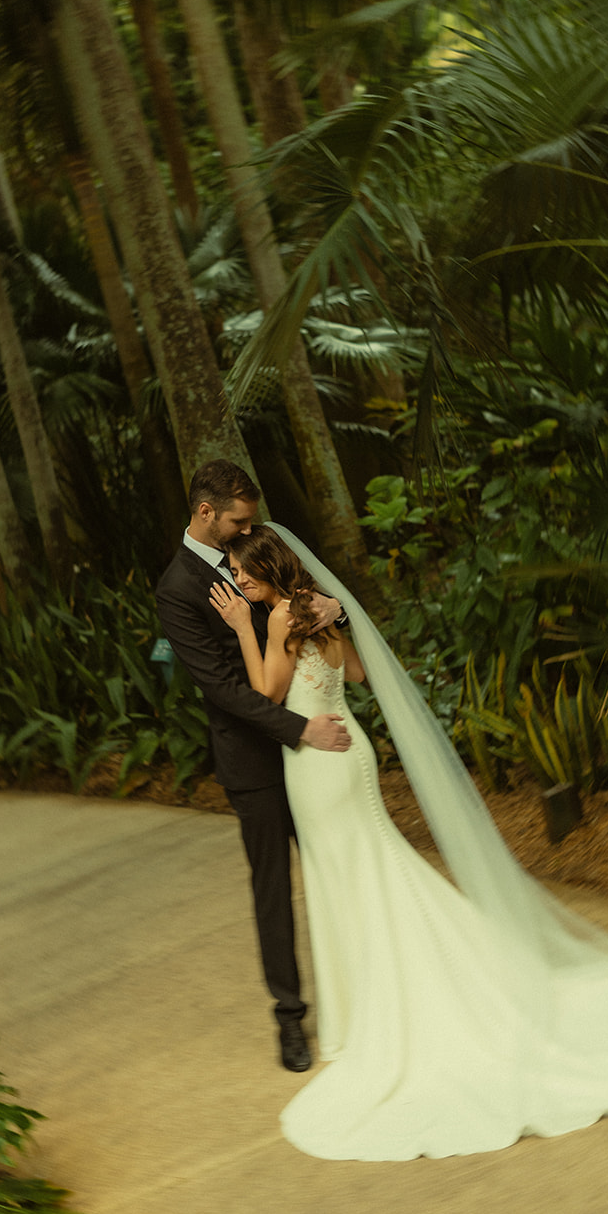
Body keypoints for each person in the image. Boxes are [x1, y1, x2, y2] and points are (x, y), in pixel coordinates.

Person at [212, 523, 608, 1163]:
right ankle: (407, 990)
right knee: (375, 868)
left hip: (317, 768)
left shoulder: (275, 623)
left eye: (243, 572)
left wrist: (245, 629)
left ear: (267, 568)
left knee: (349, 879)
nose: (237, 581)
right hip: (352, 755)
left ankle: (378, 1012)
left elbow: (265, 694)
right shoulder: (319, 616)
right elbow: (353, 675)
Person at [154, 460, 350, 1073]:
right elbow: (220, 690)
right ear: (205, 512)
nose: (250, 527)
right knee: (273, 889)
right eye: (239, 518)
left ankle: (365, 988)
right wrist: (300, 730)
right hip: (257, 760)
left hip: (315, 748)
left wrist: (332, 611)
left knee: (343, 864)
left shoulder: (261, 546)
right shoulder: (177, 588)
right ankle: (290, 1019)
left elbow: (315, 607)